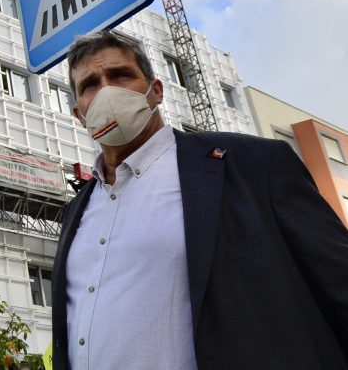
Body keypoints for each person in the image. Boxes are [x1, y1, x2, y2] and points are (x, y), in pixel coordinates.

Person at [51, 31, 348, 370]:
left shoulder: (254, 165)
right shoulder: (78, 209)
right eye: (90, 84)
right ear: (79, 114)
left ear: (156, 91)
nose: (107, 91)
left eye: (121, 75)